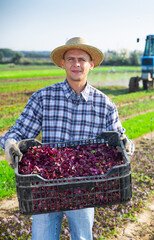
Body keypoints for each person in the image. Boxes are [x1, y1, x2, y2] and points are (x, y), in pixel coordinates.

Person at [0, 37, 134, 240]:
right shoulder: (43, 98)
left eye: (82, 59)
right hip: (44, 187)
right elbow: (18, 132)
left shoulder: (104, 105)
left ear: (91, 64)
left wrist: (126, 144)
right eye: (70, 59)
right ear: (62, 63)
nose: (76, 64)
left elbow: (119, 139)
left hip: (84, 190)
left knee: (81, 237)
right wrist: (10, 143)